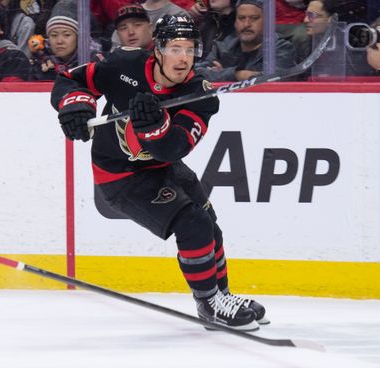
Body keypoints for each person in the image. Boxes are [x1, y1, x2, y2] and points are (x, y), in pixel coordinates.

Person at [50, 14, 268, 330]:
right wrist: (75, 104)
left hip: (164, 164)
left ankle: (221, 297)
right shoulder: (124, 65)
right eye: (175, 48)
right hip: (120, 175)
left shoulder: (199, 92)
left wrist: (155, 126)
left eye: (190, 49)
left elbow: (174, 148)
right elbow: (71, 78)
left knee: (208, 224)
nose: (183, 58)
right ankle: (208, 303)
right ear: (158, 50)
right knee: (191, 222)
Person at [195, 0, 295, 82]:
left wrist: (220, 74)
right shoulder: (223, 48)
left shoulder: (281, 48)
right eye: (241, 18)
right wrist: (237, 74)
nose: (246, 24)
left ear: (267, 22)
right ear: (235, 22)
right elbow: (196, 73)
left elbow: (275, 79)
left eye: (254, 18)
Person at [31, 0, 104, 80]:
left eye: (66, 35)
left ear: (78, 38)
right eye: (54, 35)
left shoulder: (94, 64)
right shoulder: (41, 63)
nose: (59, 41)